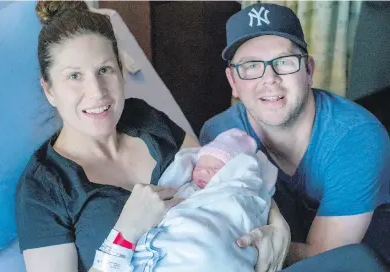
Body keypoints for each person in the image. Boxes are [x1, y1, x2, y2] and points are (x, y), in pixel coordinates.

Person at [15, 2, 290, 272]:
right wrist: (126, 232)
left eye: (105, 70)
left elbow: (222, 172)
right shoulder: (44, 189)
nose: (97, 92)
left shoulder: (144, 118)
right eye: (74, 76)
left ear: (121, 71)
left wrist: (278, 224)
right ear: (49, 89)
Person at [199, 2, 390, 270]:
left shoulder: (357, 138)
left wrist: (234, 248)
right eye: (251, 66)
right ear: (233, 82)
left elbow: (325, 256)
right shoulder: (218, 136)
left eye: (284, 62)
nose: (270, 78)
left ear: (309, 70)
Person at [123, 128, 277, 272]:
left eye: (215, 169)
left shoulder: (233, 193)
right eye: (200, 166)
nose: (203, 172)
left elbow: (243, 214)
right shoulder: (186, 188)